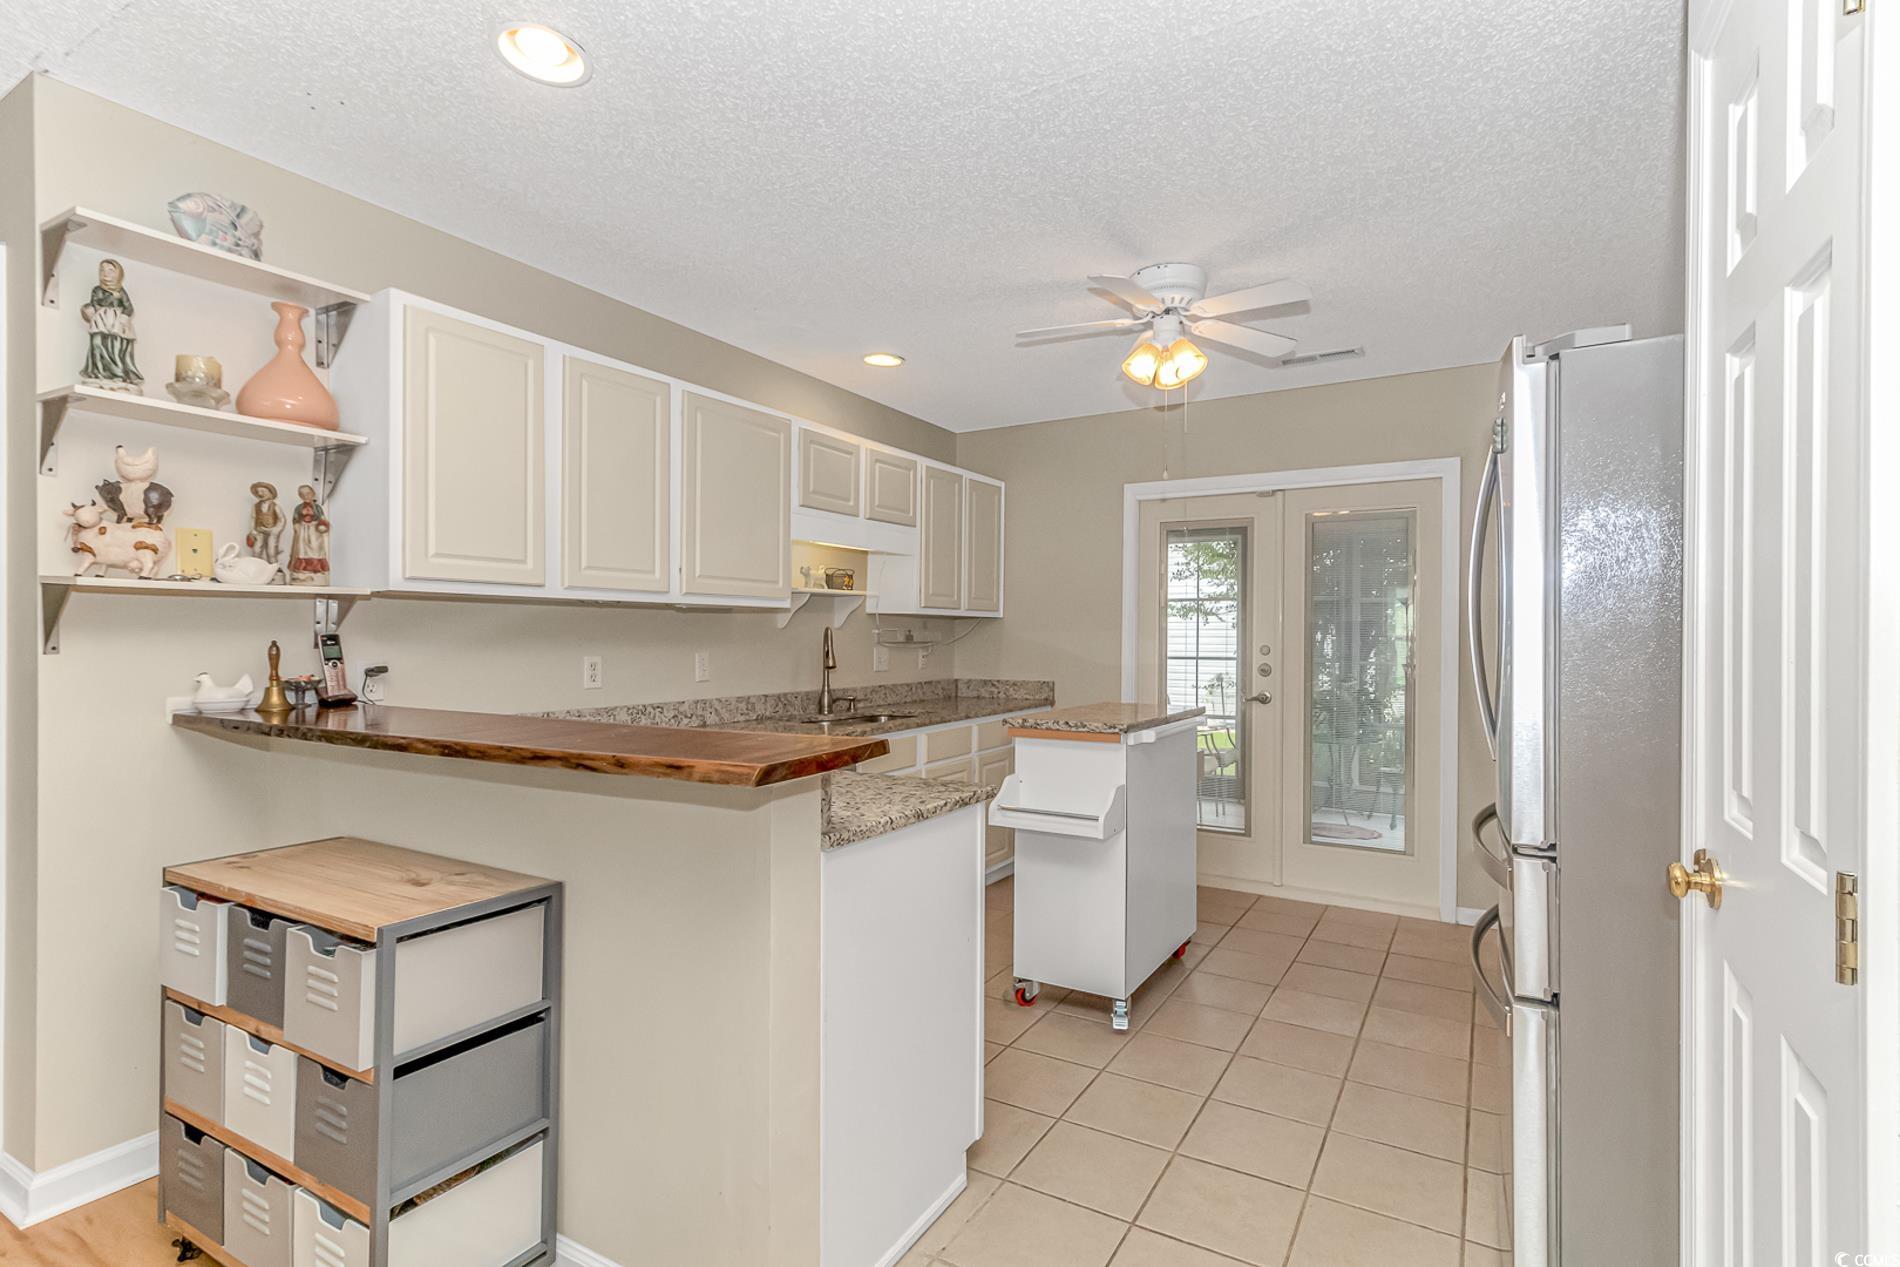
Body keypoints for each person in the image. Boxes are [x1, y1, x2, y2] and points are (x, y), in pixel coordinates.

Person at [79, 259, 142, 391]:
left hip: (117, 324)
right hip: (101, 321)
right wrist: (88, 311)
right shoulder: (97, 290)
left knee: (116, 348)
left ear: (118, 274)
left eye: (110, 270)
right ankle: (99, 372)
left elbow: (129, 308)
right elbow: (96, 303)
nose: (105, 273)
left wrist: (123, 320)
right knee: (97, 344)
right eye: (102, 270)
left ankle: (118, 374)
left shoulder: (121, 291)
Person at [288, 484, 330, 586]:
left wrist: (322, 525)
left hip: (314, 531)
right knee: (302, 550)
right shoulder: (298, 508)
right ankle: (302, 571)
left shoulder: (317, 508)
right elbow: (295, 519)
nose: (305, 496)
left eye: (308, 493)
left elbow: (322, 519)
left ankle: (316, 570)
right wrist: (297, 525)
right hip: (303, 530)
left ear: (312, 494)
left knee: (315, 548)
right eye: (302, 494)